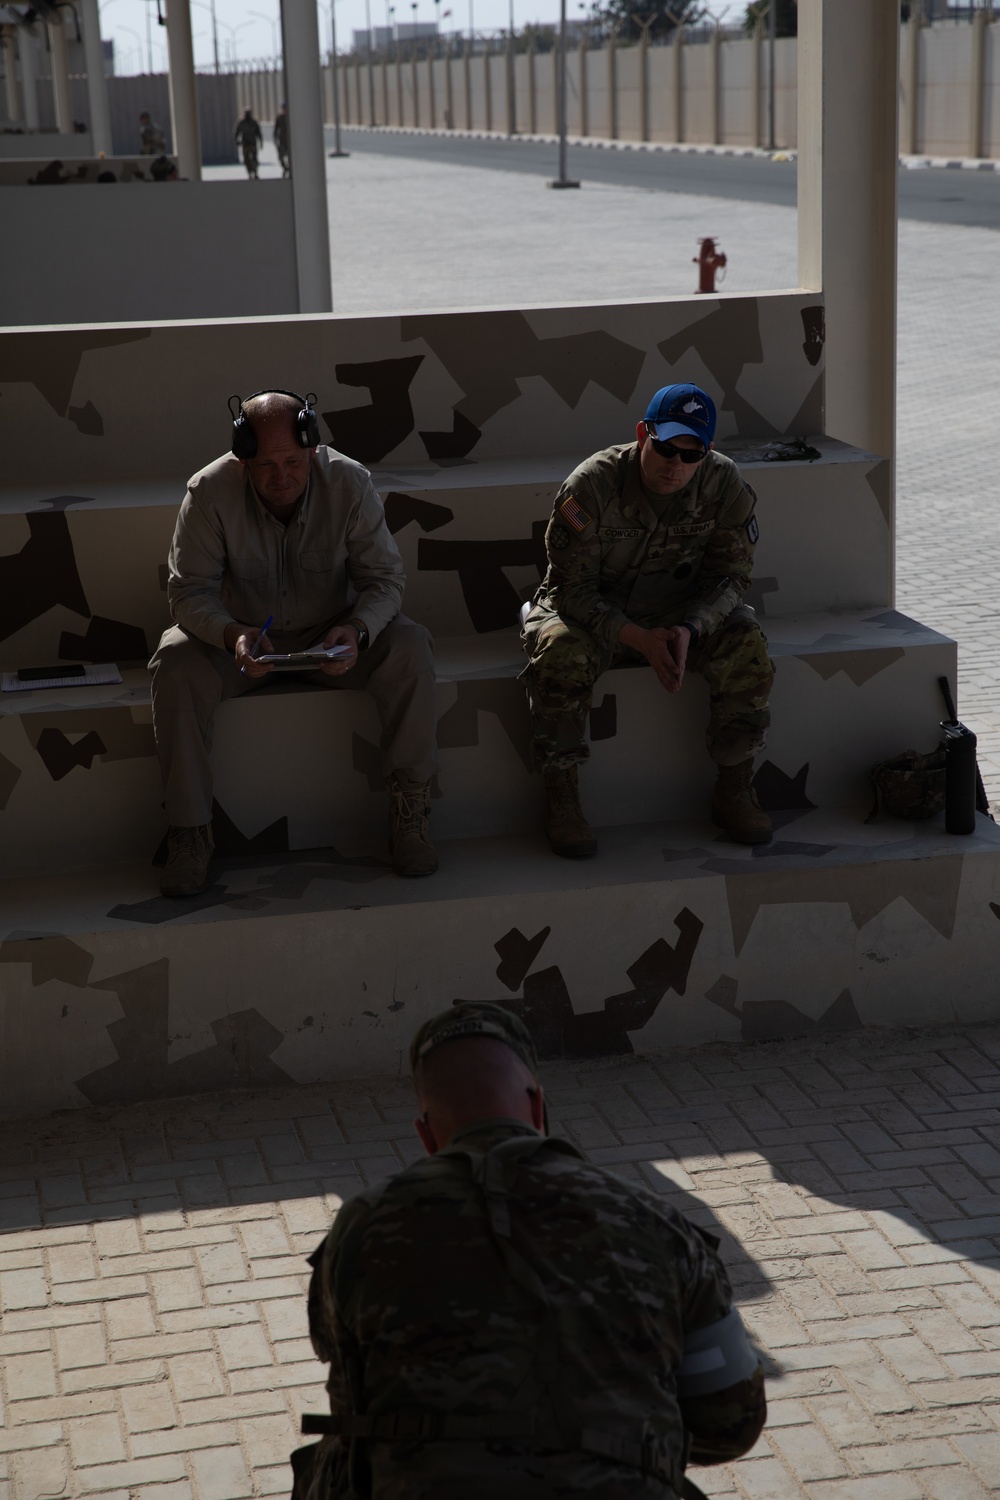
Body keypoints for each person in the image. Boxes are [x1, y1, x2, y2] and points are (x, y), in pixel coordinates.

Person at [294, 1002, 766, 1499]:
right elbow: (731, 1424)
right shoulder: (657, 1224)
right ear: (539, 1107)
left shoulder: (361, 1227)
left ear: (427, 1136)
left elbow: (351, 1408)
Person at [148, 390, 438, 897]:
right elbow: (187, 593)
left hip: (333, 637)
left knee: (410, 646)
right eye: (264, 465)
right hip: (239, 644)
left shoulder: (350, 482)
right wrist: (232, 634)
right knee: (175, 660)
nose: (281, 477)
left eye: (292, 461)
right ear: (243, 458)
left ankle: (411, 811)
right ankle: (189, 832)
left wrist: (358, 630)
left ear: (311, 449)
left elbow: (385, 581)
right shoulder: (209, 492)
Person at [522, 383, 775, 858]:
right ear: (643, 433)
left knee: (747, 644)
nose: (674, 465)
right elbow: (571, 589)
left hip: (679, 613)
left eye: (690, 453)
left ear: (707, 451)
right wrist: (635, 636)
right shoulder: (591, 485)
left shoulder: (725, 485)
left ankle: (735, 787)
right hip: (595, 612)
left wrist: (690, 630)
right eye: (665, 448)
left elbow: (731, 577)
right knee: (559, 653)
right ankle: (562, 796)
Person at [235, 107, 263, 178]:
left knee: (254, 159)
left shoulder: (254, 123)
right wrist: (237, 141)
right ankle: (250, 172)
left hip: (253, 144)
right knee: (246, 160)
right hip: (245, 144)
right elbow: (236, 133)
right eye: (246, 113)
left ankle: (255, 172)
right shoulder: (241, 123)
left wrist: (261, 142)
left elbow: (259, 133)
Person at [274, 100, 290, 177]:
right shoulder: (279, 118)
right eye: (283, 108)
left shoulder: (291, 118)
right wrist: (275, 139)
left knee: (291, 157)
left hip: (290, 142)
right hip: (282, 140)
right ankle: (286, 168)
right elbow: (276, 129)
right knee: (281, 157)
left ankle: (290, 169)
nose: (284, 110)